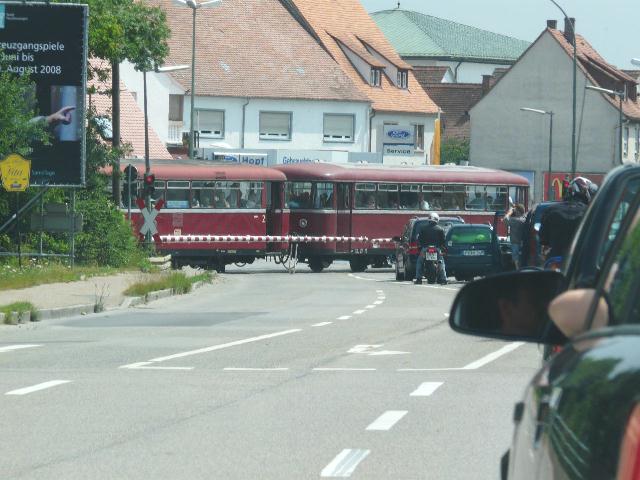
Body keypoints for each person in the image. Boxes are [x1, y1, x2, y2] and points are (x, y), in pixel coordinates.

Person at [539, 177, 598, 260]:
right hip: (579, 260)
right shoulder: (590, 212)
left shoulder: (550, 210)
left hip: (555, 258)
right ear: (586, 193)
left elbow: (543, 239)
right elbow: (595, 239)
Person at [415, 212, 447, 285]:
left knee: (420, 262)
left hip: (425, 248)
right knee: (441, 262)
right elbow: (443, 240)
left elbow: (419, 239)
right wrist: (443, 247)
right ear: (437, 219)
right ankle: (443, 279)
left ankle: (418, 278)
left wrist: (420, 247)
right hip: (436, 249)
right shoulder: (440, 229)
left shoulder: (423, 228)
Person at [503, 203, 526, 269]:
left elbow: (505, 220)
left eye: (515, 210)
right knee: (521, 257)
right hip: (523, 242)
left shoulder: (515, 220)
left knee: (516, 258)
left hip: (515, 242)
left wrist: (509, 212)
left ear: (518, 211)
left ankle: (518, 271)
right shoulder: (524, 219)